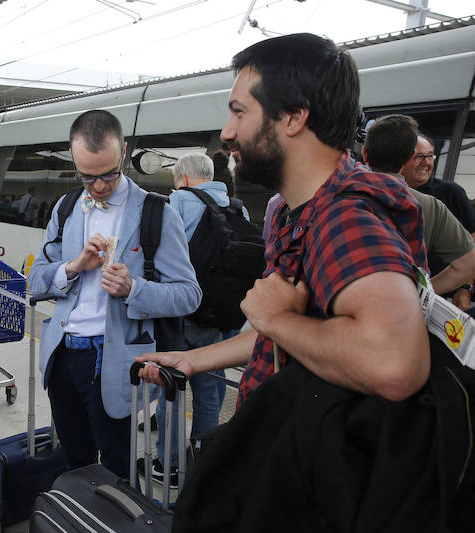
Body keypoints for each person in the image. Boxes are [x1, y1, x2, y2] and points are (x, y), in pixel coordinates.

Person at [138, 33, 430, 410]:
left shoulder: (345, 218)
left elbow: (395, 366)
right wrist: (194, 359)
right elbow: (305, 334)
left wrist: (276, 320)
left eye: (239, 112)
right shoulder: (298, 211)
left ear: (294, 116)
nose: (227, 132)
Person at [28, 109, 200, 479]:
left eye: (108, 174)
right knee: (75, 462)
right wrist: (73, 266)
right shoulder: (67, 207)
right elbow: (35, 281)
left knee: (117, 468)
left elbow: (189, 295)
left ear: (123, 151)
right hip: (62, 355)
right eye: (87, 177)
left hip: (113, 361)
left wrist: (133, 288)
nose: (99, 186)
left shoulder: (157, 213)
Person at [144, 152, 252, 482]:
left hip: (183, 317)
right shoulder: (238, 208)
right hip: (223, 319)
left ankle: (169, 466)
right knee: (210, 394)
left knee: (172, 391)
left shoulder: (178, 202)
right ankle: (204, 462)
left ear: (184, 178)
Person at [363, 114, 475, 296]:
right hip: (403, 314)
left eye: (430, 156)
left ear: (365, 154)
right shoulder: (429, 206)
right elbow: (469, 264)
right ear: (409, 157)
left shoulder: (334, 197)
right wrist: (420, 294)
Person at [400, 133, 475, 309]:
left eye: (430, 156)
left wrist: (465, 288)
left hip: (444, 299)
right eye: (419, 157)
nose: (426, 162)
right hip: (399, 297)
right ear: (401, 159)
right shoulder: (388, 194)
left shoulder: (451, 192)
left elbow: (472, 243)